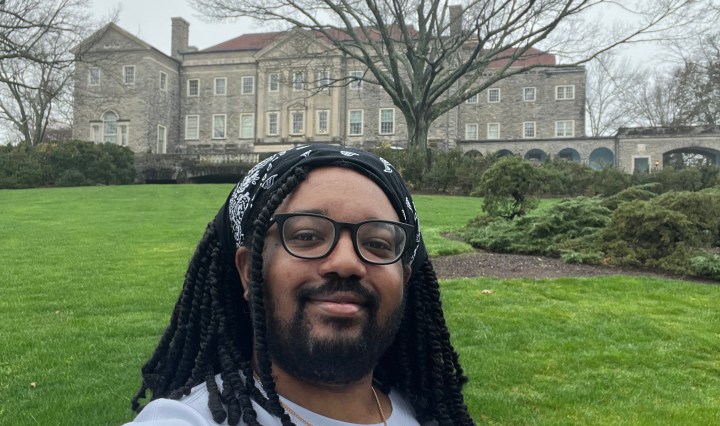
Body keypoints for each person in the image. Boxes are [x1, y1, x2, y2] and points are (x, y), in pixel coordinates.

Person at [125, 144, 474, 426]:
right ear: (249, 271)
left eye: (377, 243)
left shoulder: (428, 414)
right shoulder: (190, 419)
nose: (346, 263)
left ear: (404, 280)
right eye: (307, 236)